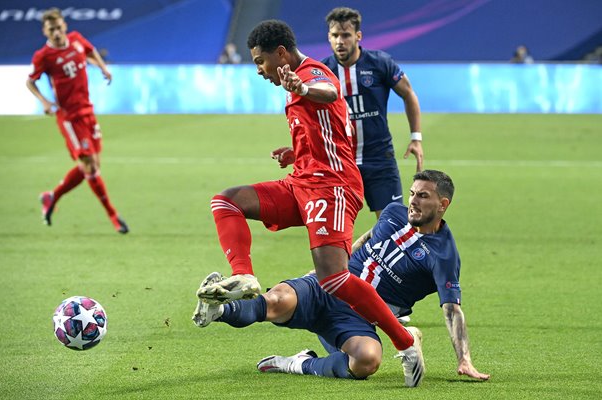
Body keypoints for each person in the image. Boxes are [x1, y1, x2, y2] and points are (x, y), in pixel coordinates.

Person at [195, 20, 424, 385]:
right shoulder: (295, 79)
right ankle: (243, 274)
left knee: (333, 279)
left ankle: (404, 340)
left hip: (332, 188)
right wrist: (297, 152)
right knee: (226, 202)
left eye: (260, 61)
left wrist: (302, 86)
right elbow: (326, 126)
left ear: (281, 53)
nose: (258, 70)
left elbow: (329, 92)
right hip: (303, 181)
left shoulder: (313, 73)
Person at [194, 170, 490, 383]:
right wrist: (333, 266)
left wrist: (464, 360)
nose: (413, 201)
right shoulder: (394, 212)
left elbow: (452, 310)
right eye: (412, 193)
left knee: (368, 360)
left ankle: (299, 364)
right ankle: (217, 309)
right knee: (276, 301)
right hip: (331, 286)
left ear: (443, 204)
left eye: (423, 196)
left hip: (359, 320)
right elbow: (367, 238)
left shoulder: (444, 255)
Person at [26, 8, 128, 234]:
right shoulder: (43, 56)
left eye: (59, 27)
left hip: (87, 111)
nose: (57, 32)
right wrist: (44, 102)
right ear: (45, 31)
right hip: (69, 117)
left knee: (92, 167)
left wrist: (102, 67)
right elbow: (30, 82)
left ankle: (51, 197)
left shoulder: (76, 39)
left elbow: (91, 52)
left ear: (64, 26)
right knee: (89, 164)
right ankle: (113, 215)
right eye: (51, 29)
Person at [322, 7, 424, 218]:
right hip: (339, 161)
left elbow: (409, 94)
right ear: (328, 38)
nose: (340, 41)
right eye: (335, 36)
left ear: (358, 36)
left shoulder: (380, 63)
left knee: (393, 226)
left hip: (379, 159)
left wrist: (416, 138)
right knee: (335, 228)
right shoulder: (322, 71)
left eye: (346, 35)